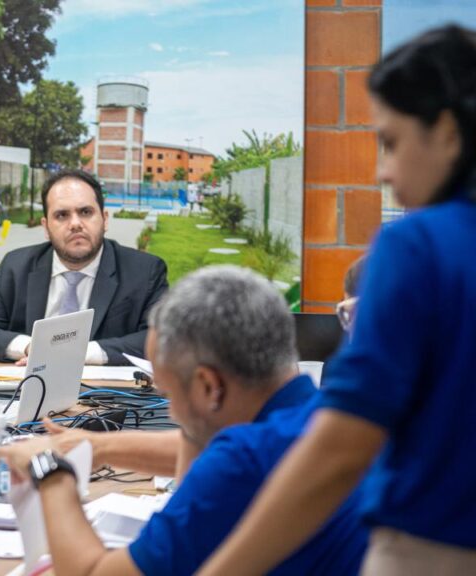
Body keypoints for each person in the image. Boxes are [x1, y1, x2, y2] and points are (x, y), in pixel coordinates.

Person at [200, 25, 476, 576]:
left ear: (446, 133)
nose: (381, 171)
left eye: (392, 143)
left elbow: (339, 448)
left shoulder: (416, 247)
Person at [0, 266, 367, 576]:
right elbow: (204, 444)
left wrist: (50, 472)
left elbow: (94, 572)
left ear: (209, 385)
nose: (172, 414)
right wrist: (95, 446)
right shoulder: (332, 420)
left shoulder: (238, 464)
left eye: (171, 394)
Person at [0, 170, 168, 365]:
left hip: (105, 395)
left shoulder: (145, 271)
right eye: (62, 215)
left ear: (105, 219)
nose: (75, 224)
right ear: (45, 227)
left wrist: (79, 353)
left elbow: (159, 339)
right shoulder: (17, 266)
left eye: (85, 212)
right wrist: (32, 347)